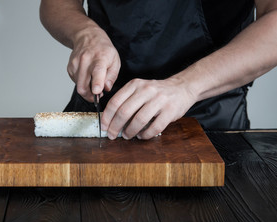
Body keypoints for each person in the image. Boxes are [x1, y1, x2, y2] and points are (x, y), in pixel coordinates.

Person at [39, 0, 277, 140]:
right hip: (101, 109)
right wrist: (86, 34)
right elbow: (57, 4)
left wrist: (186, 86)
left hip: (210, 120)